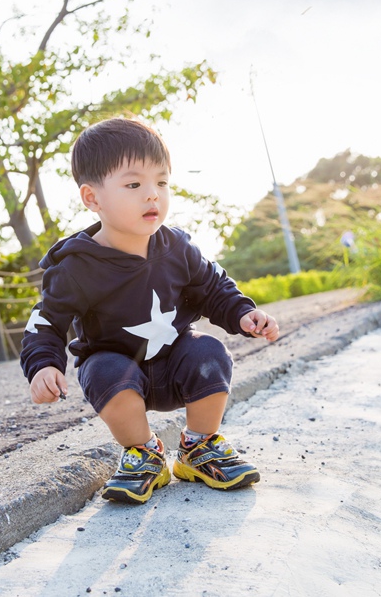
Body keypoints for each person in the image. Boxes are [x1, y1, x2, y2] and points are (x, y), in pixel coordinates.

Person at [20, 117, 280, 504]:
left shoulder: (176, 247)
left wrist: (243, 313)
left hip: (174, 361)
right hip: (118, 372)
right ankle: (144, 452)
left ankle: (198, 446)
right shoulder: (76, 267)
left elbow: (213, 286)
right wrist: (43, 365)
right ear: (92, 198)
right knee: (103, 368)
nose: (152, 195)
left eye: (161, 182)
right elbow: (46, 322)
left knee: (209, 352)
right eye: (134, 184)